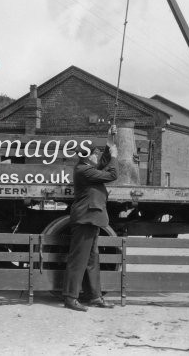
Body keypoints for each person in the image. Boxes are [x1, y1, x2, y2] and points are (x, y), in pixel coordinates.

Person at [62, 129, 118, 312]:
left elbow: (102, 164)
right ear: (89, 156)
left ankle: (94, 297)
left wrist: (110, 143)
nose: (98, 156)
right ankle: (70, 298)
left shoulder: (87, 167)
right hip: (86, 219)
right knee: (78, 260)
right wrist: (115, 157)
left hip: (92, 219)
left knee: (92, 260)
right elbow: (111, 174)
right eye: (96, 153)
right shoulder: (84, 170)